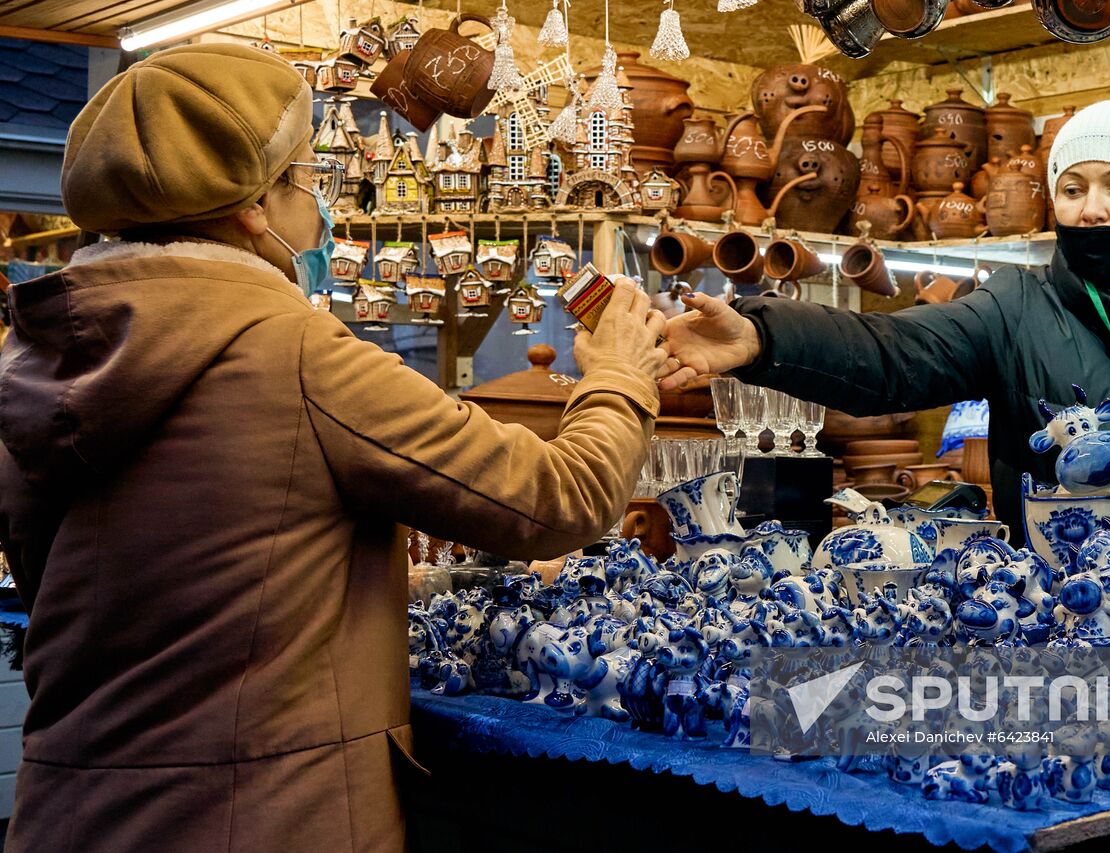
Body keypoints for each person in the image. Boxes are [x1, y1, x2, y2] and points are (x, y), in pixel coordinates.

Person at [0, 44, 665, 853]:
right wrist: (621, 376)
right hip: (263, 817)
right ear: (253, 208)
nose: (320, 212)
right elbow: (560, 499)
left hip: (67, 810)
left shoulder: (37, 360)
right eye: (312, 180)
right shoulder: (297, 351)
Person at [661, 98, 1110, 538]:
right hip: (1065, 618)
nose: (1092, 210)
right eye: (1073, 189)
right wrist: (761, 335)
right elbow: (891, 354)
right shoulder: (1016, 307)